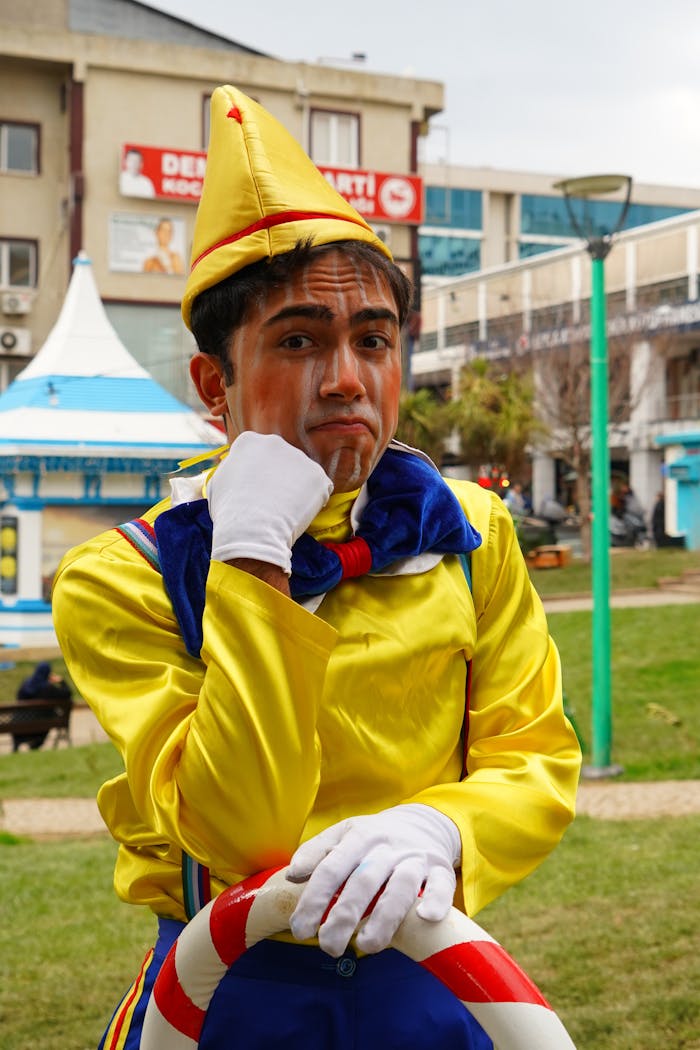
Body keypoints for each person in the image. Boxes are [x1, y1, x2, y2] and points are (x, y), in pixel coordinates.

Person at [52, 86, 581, 1050]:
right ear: (214, 384)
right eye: (300, 340)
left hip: (431, 979)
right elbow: (243, 829)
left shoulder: (469, 532)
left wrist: (447, 829)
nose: (347, 377)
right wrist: (250, 556)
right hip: (225, 995)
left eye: (372, 340)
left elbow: (534, 757)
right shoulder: (121, 575)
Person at [12, 661, 72, 752]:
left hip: (18, 723)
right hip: (41, 726)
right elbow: (67, 693)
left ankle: (16, 746)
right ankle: (35, 744)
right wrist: (61, 681)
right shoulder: (48, 688)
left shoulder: (25, 685)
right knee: (47, 717)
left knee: (32, 718)